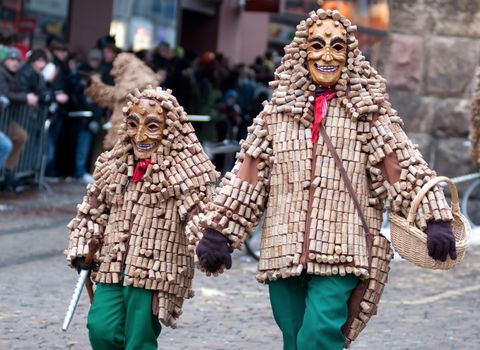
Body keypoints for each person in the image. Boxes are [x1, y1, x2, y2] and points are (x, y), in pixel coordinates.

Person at [190, 8, 457, 350]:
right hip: (282, 249)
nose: (327, 55)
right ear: (304, 51)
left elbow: (402, 168)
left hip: (343, 249)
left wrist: (435, 218)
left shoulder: (368, 114)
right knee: (294, 336)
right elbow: (249, 176)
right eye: (317, 45)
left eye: (337, 47)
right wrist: (219, 232)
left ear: (350, 55)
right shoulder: (276, 114)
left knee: (318, 336)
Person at [65, 86, 218, 349]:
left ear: (169, 130)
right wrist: (82, 246)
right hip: (112, 265)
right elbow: (93, 209)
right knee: (101, 328)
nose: (140, 135)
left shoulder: (187, 172)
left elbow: (198, 214)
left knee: (139, 340)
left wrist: (210, 243)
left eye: (152, 127)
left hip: (154, 271)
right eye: (133, 124)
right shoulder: (112, 166)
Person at [85, 52, 159, 149]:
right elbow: (114, 96)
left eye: (119, 69)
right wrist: (95, 85)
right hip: (122, 131)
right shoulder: (128, 89)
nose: (113, 72)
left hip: (132, 130)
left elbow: (117, 94)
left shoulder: (138, 83)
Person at [0, 47, 36, 192]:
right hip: (2, 119)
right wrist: (25, 98)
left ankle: (8, 171)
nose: (15, 62)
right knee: (6, 145)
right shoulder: (1, 73)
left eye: (17, 60)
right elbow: (5, 94)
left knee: (21, 136)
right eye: (12, 59)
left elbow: (15, 92)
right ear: (5, 60)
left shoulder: (14, 74)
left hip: (6, 120)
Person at [68, 49, 103, 183]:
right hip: (81, 118)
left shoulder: (94, 85)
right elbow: (80, 100)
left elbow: (99, 103)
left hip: (88, 119)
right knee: (80, 146)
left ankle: (79, 171)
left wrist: (95, 118)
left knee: (84, 146)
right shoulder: (82, 81)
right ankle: (78, 171)